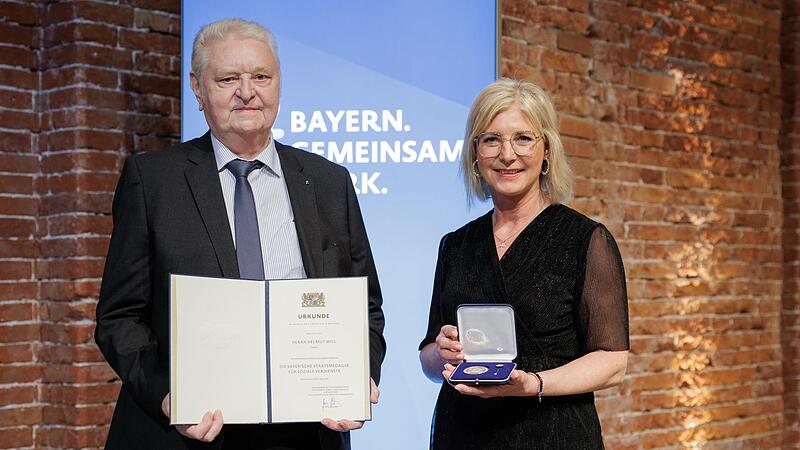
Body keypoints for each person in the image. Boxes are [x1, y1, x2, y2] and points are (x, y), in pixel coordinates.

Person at [95, 18, 386, 450]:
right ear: (197, 88)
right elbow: (120, 318)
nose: (247, 92)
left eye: (261, 77)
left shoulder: (328, 182)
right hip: (189, 433)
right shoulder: (153, 181)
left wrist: (357, 375)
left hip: (307, 433)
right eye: (228, 78)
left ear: (279, 84)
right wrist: (168, 398)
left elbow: (366, 307)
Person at [418, 78, 629, 449]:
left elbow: (613, 362)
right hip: (464, 434)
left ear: (546, 149)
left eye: (523, 138)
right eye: (491, 139)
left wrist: (532, 384)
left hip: (553, 434)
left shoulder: (585, 240)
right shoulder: (455, 245)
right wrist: (442, 351)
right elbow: (429, 360)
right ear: (475, 152)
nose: (507, 154)